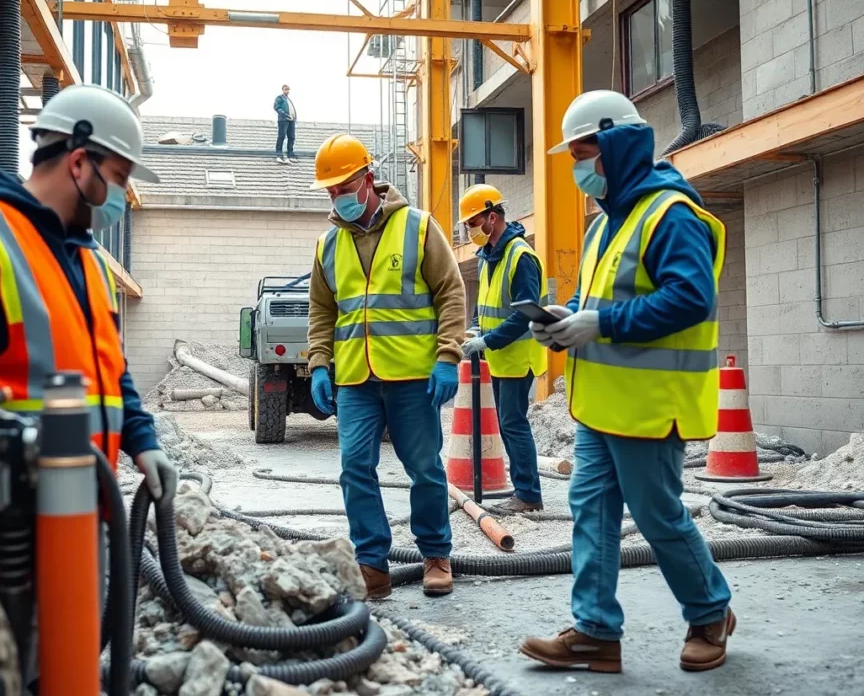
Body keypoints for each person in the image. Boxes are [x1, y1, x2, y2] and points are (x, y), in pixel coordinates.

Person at [519, 90, 734, 674]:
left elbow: (690, 299)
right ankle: (594, 632)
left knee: (659, 517)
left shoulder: (671, 214)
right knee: (590, 514)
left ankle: (711, 613)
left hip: (648, 406)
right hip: (600, 407)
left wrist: (601, 322)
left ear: (614, 142)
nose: (577, 167)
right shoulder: (604, 226)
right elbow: (598, 304)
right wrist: (564, 322)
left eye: (583, 151)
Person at [0, 84, 177, 503]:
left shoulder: (91, 263)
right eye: (119, 178)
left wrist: (143, 442)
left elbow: (110, 372)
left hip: (76, 511)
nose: (122, 197)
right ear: (81, 163)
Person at [306, 133, 466, 599]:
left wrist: (447, 357)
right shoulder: (328, 246)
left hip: (414, 377)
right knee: (355, 466)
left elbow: (451, 293)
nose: (338, 198)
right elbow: (322, 311)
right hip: (356, 378)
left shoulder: (417, 227)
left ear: (369, 179)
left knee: (424, 468)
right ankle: (372, 564)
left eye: (344, 186)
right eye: (331, 191)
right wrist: (320, 363)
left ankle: (436, 554)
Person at [459, 184, 548, 514]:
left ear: (492, 217)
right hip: (499, 357)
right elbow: (484, 302)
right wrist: (475, 328)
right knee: (508, 423)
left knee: (514, 423)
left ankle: (528, 494)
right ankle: (524, 489)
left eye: (472, 222)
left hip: (516, 357)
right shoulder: (488, 257)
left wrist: (487, 340)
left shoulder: (520, 256)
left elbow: (527, 313)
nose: (470, 230)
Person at [274, 84, 298, 165]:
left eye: (288, 90)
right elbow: (276, 107)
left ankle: (290, 154)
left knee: (291, 137)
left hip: (291, 120)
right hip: (284, 120)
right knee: (281, 136)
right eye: (285, 90)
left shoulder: (288, 99)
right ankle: (279, 154)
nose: (287, 91)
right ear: (282, 90)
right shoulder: (280, 98)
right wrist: (284, 114)